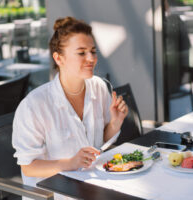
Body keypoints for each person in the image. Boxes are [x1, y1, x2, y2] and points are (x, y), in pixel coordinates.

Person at [12, 16, 128, 200]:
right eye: (81, 53)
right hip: (53, 194)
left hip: (92, 185)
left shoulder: (98, 86)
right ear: (59, 58)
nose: (91, 58)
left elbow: (96, 146)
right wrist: (70, 163)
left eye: (93, 51)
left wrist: (115, 122)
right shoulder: (34, 105)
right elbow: (28, 166)